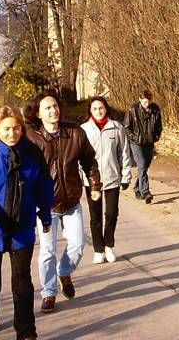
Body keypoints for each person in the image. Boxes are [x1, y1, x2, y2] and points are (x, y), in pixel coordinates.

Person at [0, 105, 54, 339]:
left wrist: (45, 214)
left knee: (22, 280)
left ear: (22, 129)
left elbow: (44, 186)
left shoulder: (32, 153)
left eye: (16, 128)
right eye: (6, 129)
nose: (11, 133)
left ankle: (26, 332)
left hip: (22, 227)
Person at [27, 92, 102, 314]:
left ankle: (64, 271)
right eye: (47, 108)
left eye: (55, 106)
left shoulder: (75, 132)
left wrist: (95, 185)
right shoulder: (32, 138)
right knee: (47, 251)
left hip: (71, 202)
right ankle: (49, 293)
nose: (53, 111)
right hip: (46, 206)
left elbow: (89, 161)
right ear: (38, 114)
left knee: (78, 244)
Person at [80, 96, 132, 264]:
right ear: (90, 111)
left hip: (112, 177)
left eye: (101, 108)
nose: (98, 111)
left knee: (111, 214)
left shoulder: (116, 128)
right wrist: (81, 176)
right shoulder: (84, 129)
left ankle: (109, 245)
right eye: (95, 109)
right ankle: (98, 249)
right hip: (92, 181)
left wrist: (125, 175)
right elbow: (79, 156)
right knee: (95, 216)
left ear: (106, 108)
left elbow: (124, 153)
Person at [123, 90, 162, 204]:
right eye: (145, 101)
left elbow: (159, 125)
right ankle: (146, 192)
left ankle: (137, 187)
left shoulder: (155, 109)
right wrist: (134, 138)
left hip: (149, 143)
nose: (147, 103)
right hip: (136, 143)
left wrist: (155, 137)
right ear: (140, 99)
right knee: (142, 164)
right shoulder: (133, 110)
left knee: (144, 167)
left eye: (149, 101)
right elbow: (126, 127)